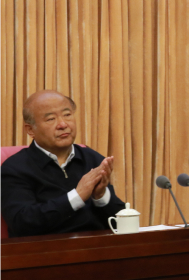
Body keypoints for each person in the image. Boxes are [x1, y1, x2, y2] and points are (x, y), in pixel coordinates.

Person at [1, 90, 124, 237]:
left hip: (97, 246)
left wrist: (101, 196)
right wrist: (77, 196)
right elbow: (22, 223)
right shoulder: (14, 168)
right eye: (51, 119)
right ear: (30, 130)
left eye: (67, 115)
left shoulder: (92, 159)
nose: (63, 124)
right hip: (46, 249)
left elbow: (119, 223)